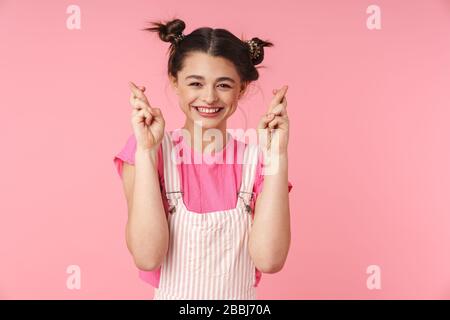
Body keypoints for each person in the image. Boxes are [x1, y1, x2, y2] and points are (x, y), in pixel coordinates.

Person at [113, 18, 293, 300]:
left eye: (223, 85)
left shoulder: (258, 161)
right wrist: (147, 152)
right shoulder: (150, 150)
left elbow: (269, 261)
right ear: (175, 83)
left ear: (241, 89)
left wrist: (276, 156)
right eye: (195, 83)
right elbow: (148, 257)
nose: (209, 98)